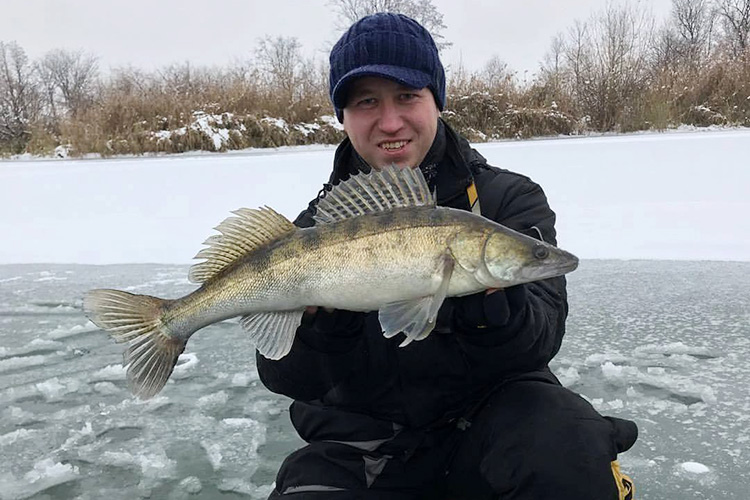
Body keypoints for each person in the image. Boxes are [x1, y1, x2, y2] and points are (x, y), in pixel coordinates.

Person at [257, 12, 637, 500]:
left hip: (494, 423)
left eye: (408, 96)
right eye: (367, 101)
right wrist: (324, 330)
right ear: (344, 116)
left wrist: (493, 311)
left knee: (567, 444)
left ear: (437, 100)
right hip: (363, 443)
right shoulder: (315, 229)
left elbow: (541, 338)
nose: (390, 121)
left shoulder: (507, 200)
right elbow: (282, 373)